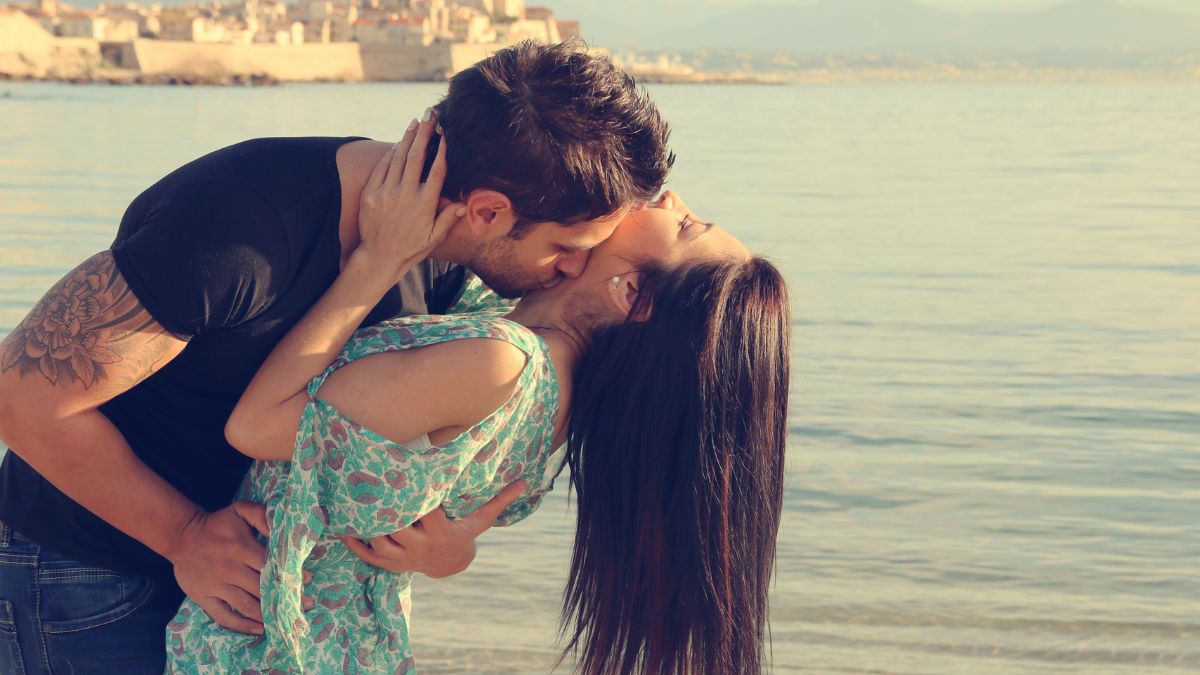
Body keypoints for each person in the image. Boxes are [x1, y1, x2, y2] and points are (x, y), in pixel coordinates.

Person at [0, 40, 672, 674]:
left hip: (225, 591)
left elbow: (385, 445)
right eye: (568, 247)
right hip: (87, 572)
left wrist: (447, 548)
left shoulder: (452, 264)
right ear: (489, 213)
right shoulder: (245, 224)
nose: (574, 268)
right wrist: (185, 535)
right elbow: (21, 396)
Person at [166, 109, 790, 674]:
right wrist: (451, 554)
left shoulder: (498, 361)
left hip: (266, 644)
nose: (670, 198)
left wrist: (377, 260)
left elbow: (258, 426)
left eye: (684, 223)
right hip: (335, 643)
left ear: (633, 296)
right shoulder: (553, 374)